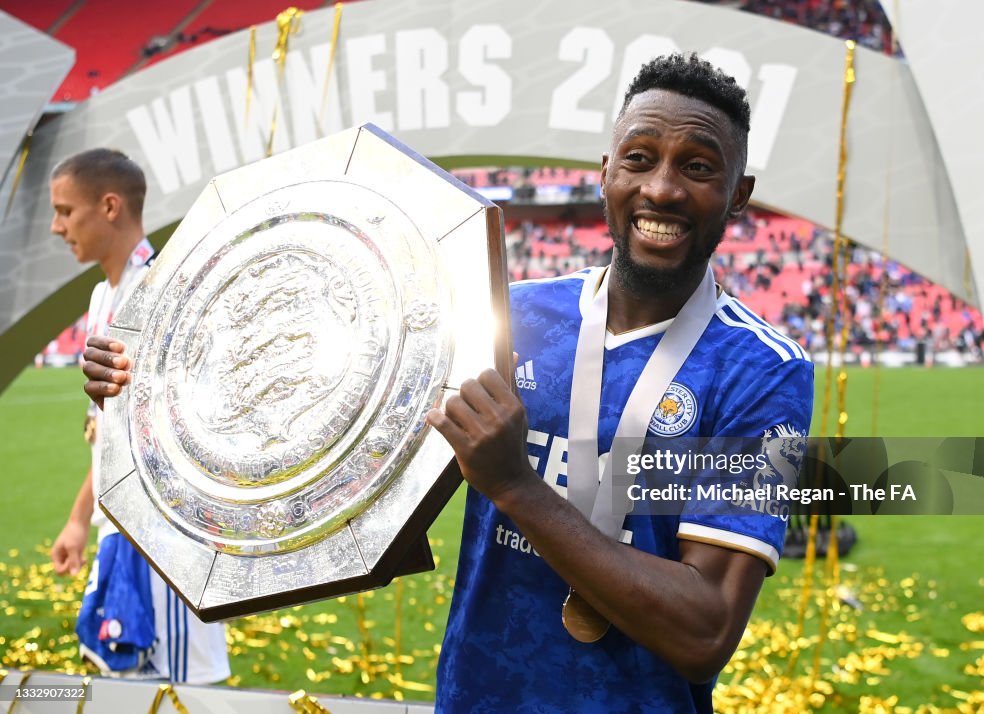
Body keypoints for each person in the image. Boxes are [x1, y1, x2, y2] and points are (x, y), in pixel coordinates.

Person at [83, 53, 813, 710]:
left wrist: (515, 486)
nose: (662, 188)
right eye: (640, 158)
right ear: (605, 172)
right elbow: (325, 409)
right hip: (476, 698)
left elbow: (704, 630)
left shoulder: (764, 372)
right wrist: (153, 386)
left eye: (697, 167)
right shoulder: (509, 312)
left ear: (739, 193)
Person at [49, 148, 230, 684]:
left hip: (164, 534)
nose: (57, 228)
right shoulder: (103, 295)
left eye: (65, 211)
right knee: (126, 680)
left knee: (181, 686)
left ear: (109, 206)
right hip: (118, 526)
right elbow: (109, 434)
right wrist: (81, 517)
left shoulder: (162, 289)